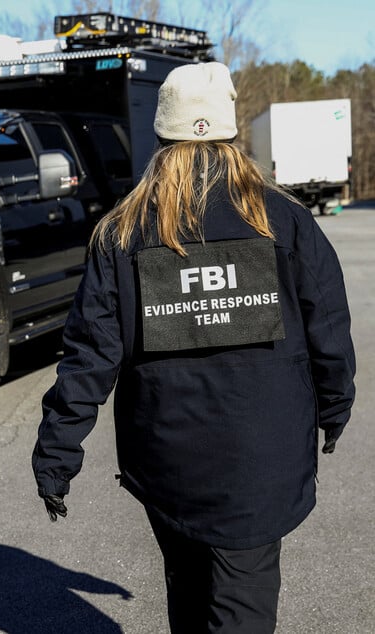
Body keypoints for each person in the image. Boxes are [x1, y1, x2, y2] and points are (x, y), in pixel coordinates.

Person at [32, 61, 355, 633]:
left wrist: (58, 449)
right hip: (262, 459)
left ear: (161, 137)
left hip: (168, 459)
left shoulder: (122, 231)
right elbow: (327, 323)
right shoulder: (284, 219)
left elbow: (90, 354)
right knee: (240, 611)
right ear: (230, 134)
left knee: (187, 590)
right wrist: (334, 405)